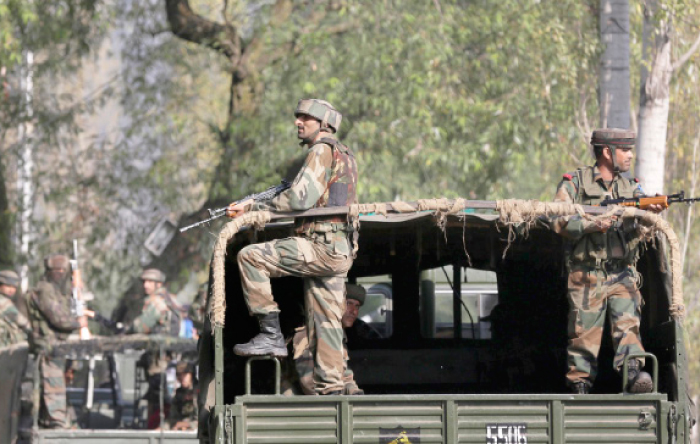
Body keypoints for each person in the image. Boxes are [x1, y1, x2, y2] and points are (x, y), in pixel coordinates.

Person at [227, 99, 358, 395]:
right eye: (298, 116)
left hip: (320, 246)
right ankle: (334, 393)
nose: (298, 122)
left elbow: (299, 199)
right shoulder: (345, 154)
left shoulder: (321, 151)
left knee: (250, 257)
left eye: (306, 118)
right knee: (325, 326)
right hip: (338, 250)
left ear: (323, 124)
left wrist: (255, 207)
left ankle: (270, 334)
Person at [551, 128, 664, 395]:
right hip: (586, 273)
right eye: (625, 150)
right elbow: (557, 219)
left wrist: (649, 211)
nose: (630, 156)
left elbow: (640, 221)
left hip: (621, 273)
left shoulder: (630, 187)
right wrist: (593, 224)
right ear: (606, 152)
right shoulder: (575, 183)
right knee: (583, 336)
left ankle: (633, 375)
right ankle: (580, 386)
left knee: (628, 326)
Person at [27, 254, 87, 428]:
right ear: (49, 271)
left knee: (57, 387)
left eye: (62, 270)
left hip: (57, 346)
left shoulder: (57, 290)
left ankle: (55, 421)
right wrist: (78, 323)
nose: (60, 273)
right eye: (56, 270)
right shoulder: (45, 290)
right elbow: (57, 318)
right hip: (48, 346)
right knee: (54, 388)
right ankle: (56, 423)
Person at [284, 284, 371, 396]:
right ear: (334, 304)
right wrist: (338, 394)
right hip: (299, 404)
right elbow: (308, 383)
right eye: (348, 303)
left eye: (357, 306)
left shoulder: (337, 336)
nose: (353, 311)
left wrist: (352, 390)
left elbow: (344, 374)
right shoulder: (307, 335)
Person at [0, 270, 31, 347]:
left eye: (14, 287)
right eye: (8, 286)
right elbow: (21, 321)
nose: (11, 290)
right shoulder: (3, 302)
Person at [168, 361, 198, 431]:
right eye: (179, 375)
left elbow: (203, 420)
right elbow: (173, 416)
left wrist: (186, 424)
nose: (182, 377)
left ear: (192, 375)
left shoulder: (199, 391)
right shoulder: (179, 393)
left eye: (185, 374)